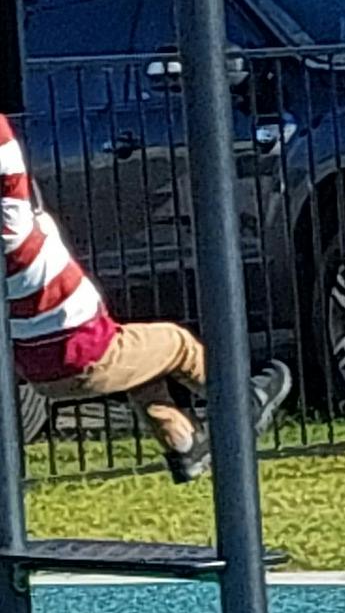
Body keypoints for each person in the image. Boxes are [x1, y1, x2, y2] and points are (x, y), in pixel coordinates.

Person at [0, 99, 285, 482]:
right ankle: (243, 404)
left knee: (144, 372)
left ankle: (184, 445)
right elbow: (8, 164)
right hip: (85, 350)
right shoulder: (15, 227)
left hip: (39, 370)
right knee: (177, 344)